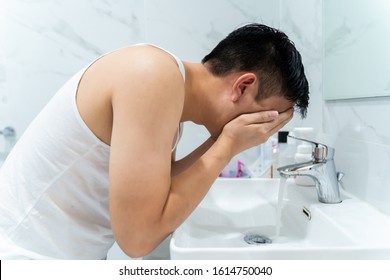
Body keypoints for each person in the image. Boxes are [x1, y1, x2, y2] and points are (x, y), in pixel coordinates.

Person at [0, 23, 309, 259]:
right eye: (271, 117)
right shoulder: (152, 75)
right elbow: (138, 239)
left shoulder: (168, 89)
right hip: (25, 258)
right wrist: (228, 145)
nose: (266, 129)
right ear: (242, 87)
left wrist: (226, 142)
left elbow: (156, 195)